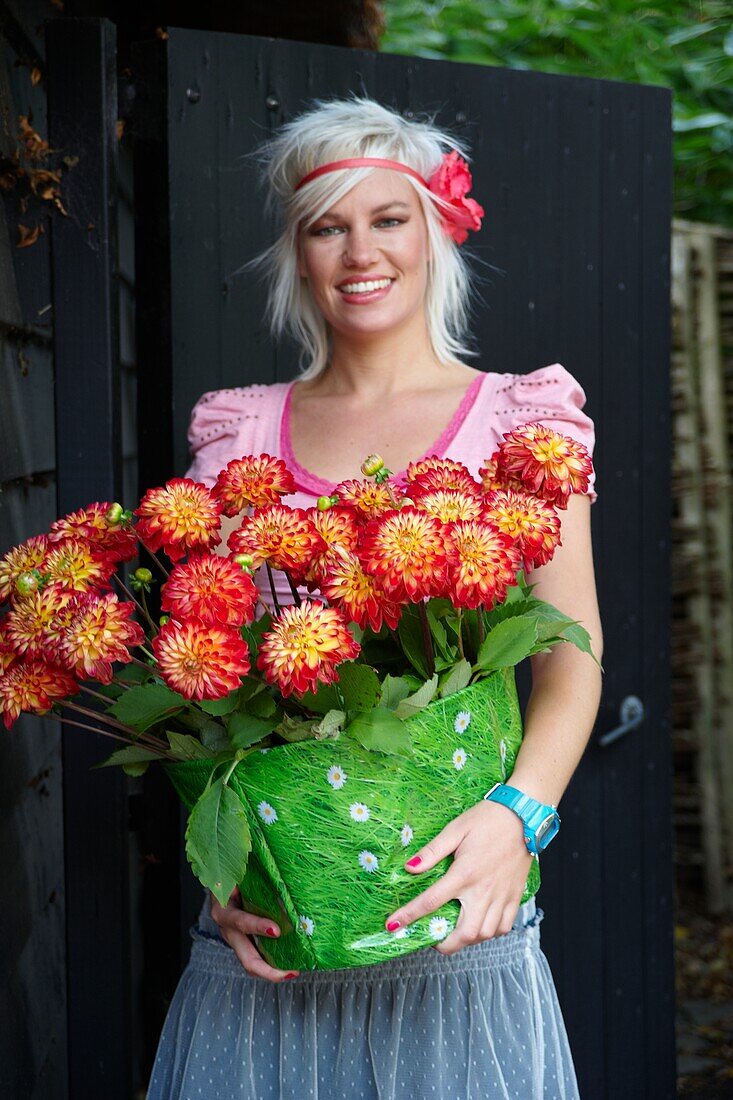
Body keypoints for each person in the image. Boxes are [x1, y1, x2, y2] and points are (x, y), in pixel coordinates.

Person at [147, 96, 603, 1100]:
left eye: (387, 217)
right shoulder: (239, 434)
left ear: (436, 231)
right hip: (272, 935)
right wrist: (222, 873)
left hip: (457, 922)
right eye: (327, 224)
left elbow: (572, 656)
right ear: (297, 254)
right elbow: (202, 681)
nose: (361, 249)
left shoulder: (520, 421)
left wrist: (517, 817)